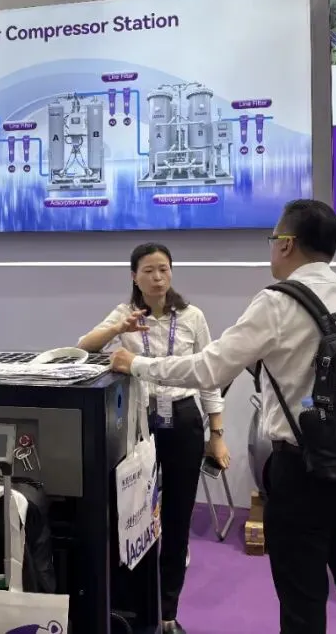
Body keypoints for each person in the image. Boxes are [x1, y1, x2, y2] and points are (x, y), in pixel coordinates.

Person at [110, 199, 336, 634]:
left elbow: (209, 369)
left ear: (287, 244)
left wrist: (138, 364)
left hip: (302, 466)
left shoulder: (277, 302)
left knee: (302, 593)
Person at [78, 242, 230, 634]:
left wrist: (217, 434)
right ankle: (133, 608)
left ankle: (167, 613)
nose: (158, 278)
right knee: (132, 512)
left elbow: (209, 377)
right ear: (134, 276)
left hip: (183, 418)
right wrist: (119, 329)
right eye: (148, 270)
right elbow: (83, 348)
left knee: (177, 517)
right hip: (138, 421)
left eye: (164, 269)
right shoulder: (124, 314)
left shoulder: (193, 316)